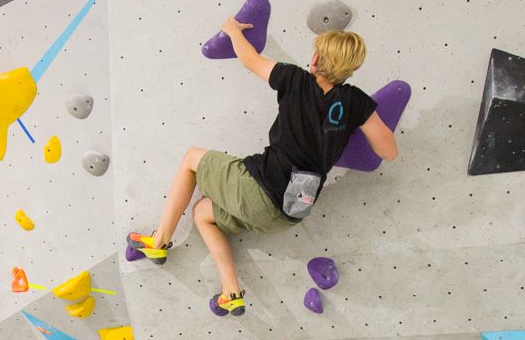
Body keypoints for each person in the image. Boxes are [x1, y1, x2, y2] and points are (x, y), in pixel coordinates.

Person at [127, 19, 398, 316]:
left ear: (316, 59)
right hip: (286, 216)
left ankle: (159, 240)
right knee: (203, 214)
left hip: (259, 189)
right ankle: (231, 292)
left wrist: (232, 30)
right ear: (350, 70)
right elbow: (389, 151)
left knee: (192, 157)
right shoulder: (356, 102)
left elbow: (250, 60)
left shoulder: (295, 79)